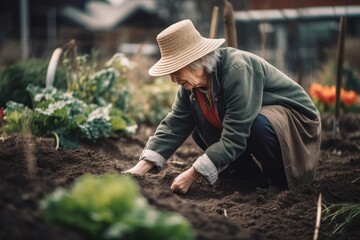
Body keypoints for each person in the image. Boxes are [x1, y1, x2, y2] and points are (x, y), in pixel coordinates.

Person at [124, 19, 321, 194]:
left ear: (197, 61)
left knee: (257, 124)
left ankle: (279, 183)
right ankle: (246, 176)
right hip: (258, 118)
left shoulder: (236, 69)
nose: (172, 78)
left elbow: (236, 133)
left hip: (295, 120)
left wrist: (193, 173)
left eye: (175, 70)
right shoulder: (191, 87)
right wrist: (139, 169)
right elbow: (174, 124)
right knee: (199, 128)